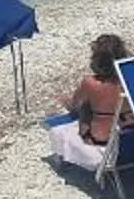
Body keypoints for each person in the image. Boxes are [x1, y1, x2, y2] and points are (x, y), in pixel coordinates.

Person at [47, 35, 128, 169]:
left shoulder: (90, 83)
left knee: (58, 131)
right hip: (128, 139)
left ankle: (62, 165)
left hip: (102, 142)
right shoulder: (129, 78)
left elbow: (73, 107)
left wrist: (64, 101)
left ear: (97, 60)